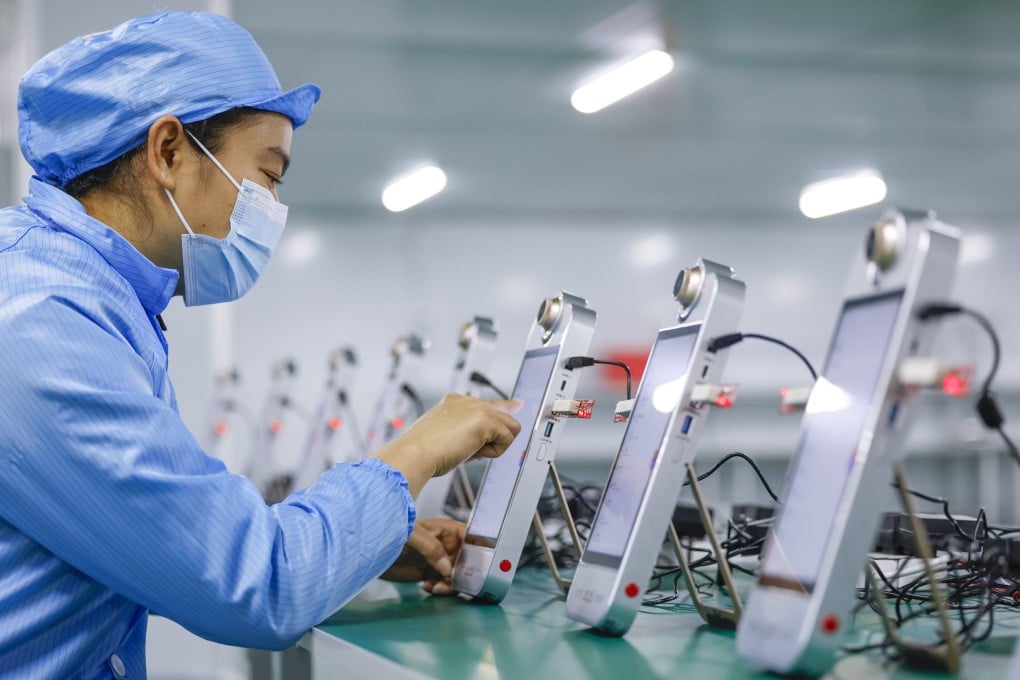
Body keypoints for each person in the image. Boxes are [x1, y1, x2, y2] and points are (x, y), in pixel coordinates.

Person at [0, 11, 521, 678]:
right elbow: (258, 590)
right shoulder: (40, 317)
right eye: (269, 175)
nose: (272, 208)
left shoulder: (83, 293)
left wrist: (366, 542)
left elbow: (144, 540)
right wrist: (416, 451)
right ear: (168, 152)